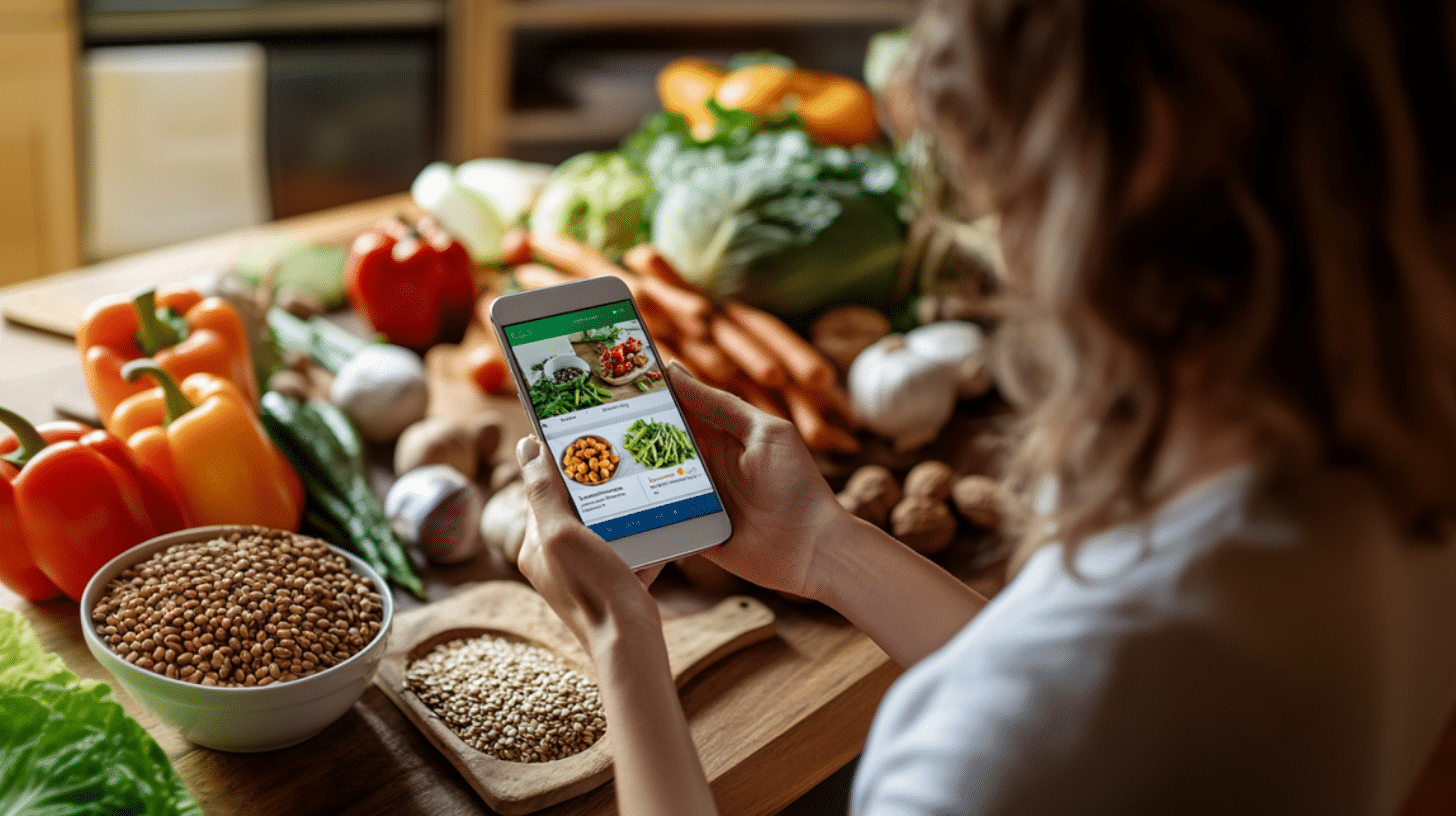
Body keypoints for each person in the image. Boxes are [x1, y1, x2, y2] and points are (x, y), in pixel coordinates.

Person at [512, 0, 1456, 813]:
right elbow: (1048, 688)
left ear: (1133, 158)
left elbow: (1045, 715)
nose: (995, 246)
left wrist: (621, 641)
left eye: (990, 181)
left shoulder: (1021, 747)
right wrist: (823, 546)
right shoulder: (1391, 461)